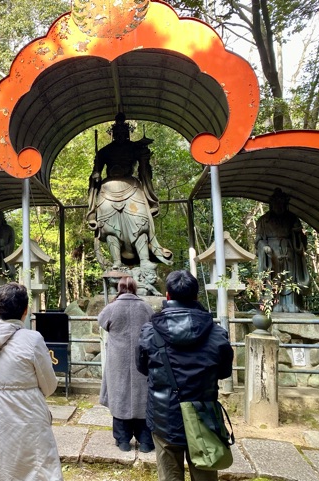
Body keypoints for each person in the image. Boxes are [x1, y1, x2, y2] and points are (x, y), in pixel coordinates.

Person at [136, 270, 233, 481]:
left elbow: (142, 368)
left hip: (164, 416)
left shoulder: (150, 332)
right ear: (196, 296)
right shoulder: (217, 334)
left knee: (169, 475)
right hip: (204, 416)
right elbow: (224, 372)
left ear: (167, 295)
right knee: (205, 475)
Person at [0, 282, 62, 481]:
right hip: (27, 418)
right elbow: (49, 385)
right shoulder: (33, 340)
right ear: (26, 310)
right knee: (32, 469)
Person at [86, 113, 172, 270]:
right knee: (109, 228)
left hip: (132, 187)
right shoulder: (104, 151)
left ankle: (144, 259)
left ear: (128, 133)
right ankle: (117, 261)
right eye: (117, 132)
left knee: (140, 224)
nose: (120, 135)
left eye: (123, 132)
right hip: (107, 191)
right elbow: (95, 172)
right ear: (112, 134)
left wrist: (144, 158)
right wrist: (96, 174)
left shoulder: (135, 148)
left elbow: (144, 171)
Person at [99, 276, 155, 453]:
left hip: (118, 361)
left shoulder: (112, 308)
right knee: (142, 398)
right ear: (135, 288)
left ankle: (123, 440)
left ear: (119, 288)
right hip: (142, 361)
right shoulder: (146, 307)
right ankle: (145, 441)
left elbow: (101, 322)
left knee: (119, 397)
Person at [255, 188, 309, 312]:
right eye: (276, 203)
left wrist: (297, 233)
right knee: (274, 276)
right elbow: (258, 240)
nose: (279, 206)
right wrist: (264, 246)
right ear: (271, 204)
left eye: (281, 203)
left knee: (291, 276)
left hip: (289, 250)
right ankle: (273, 304)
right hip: (271, 252)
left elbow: (300, 239)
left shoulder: (293, 219)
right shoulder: (263, 220)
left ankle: (292, 303)